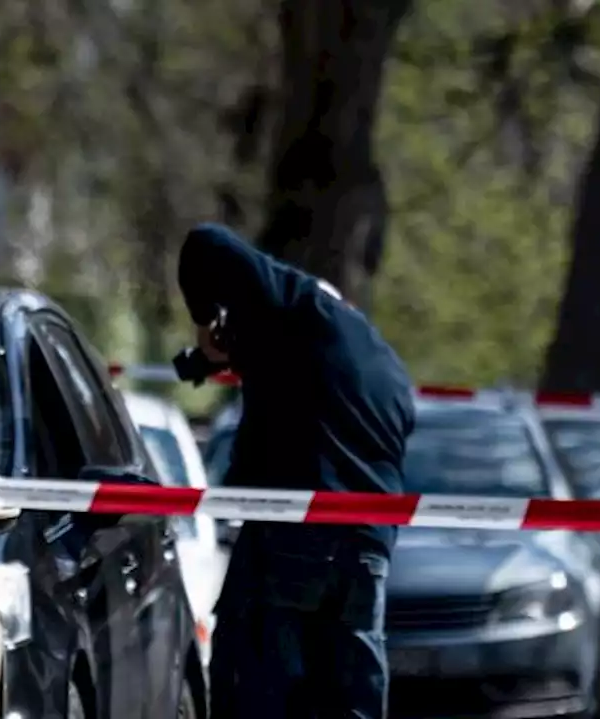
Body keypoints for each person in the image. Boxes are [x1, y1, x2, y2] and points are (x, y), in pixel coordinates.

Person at [177, 223, 415, 719]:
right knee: (348, 701)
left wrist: (205, 324)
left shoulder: (302, 308)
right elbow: (301, 400)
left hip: (296, 543)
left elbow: (205, 243)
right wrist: (218, 358)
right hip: (367, 558)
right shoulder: (387, 371)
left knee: (251, 683)